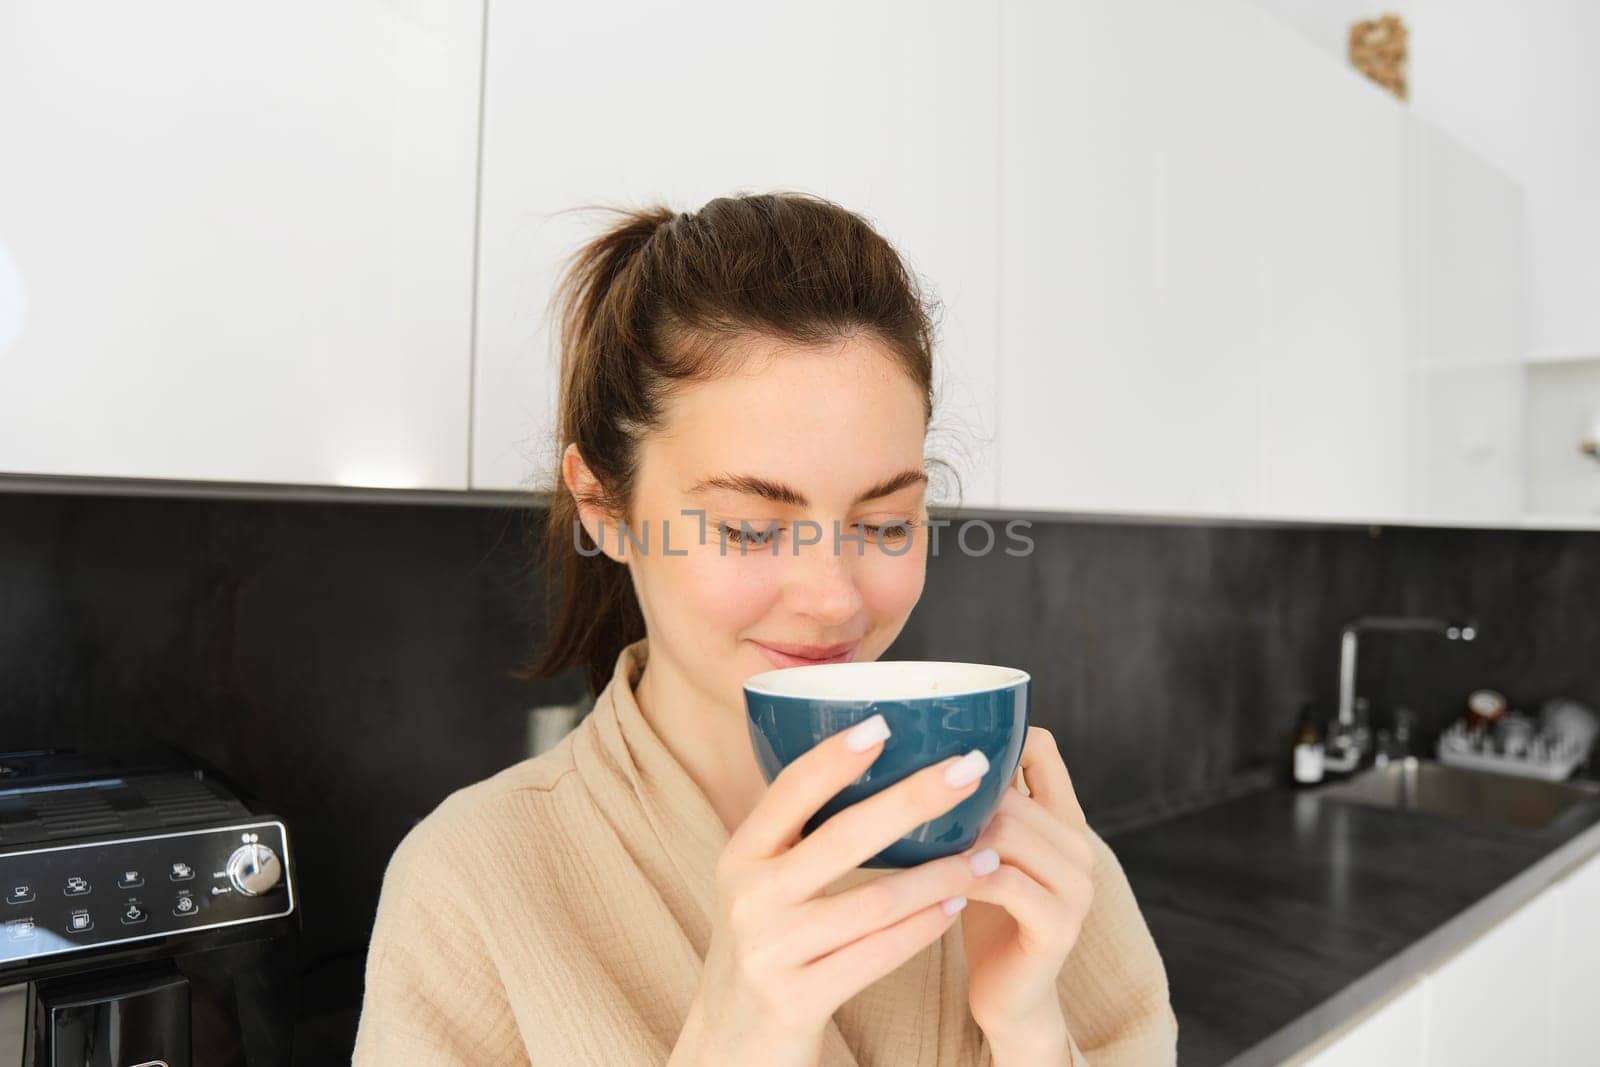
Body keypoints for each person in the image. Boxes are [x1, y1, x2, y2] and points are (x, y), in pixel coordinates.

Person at [352, 192, 1178, 1065]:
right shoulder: (469, 885)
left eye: (887, 522)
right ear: (602, 506)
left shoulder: (1034, 858)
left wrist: (1031, 1032)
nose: (831, 598)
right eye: (749, 528)